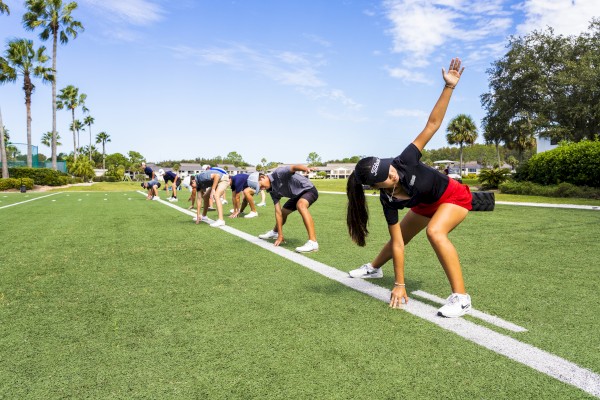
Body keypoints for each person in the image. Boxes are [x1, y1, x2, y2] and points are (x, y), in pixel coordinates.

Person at [346, 58, 472, 318]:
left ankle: (461, 298)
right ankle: (375, 268)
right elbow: (399, 244)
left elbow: (432, 125)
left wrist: (449, 87)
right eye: (386, 177)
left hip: (453, 195)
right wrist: (398, 284)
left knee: (435, 232)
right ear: (375, 186)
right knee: (399, 237)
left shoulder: (405, 160)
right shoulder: (387, 198)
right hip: (425, 204)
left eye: (389, 168)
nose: (392, 173)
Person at [257, 164, 319, 253]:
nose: (261, 189)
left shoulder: (278, 173)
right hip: (296, 195)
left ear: (262, 177)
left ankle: (313, 243)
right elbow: (278, 212)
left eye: (261, 186)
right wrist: (280, 235)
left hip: (308, 190)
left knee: (301, 205)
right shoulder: (271, 190)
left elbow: (294, 167)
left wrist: (306, 168)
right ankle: (275, 232)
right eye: (259, 188)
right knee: (283, 213)